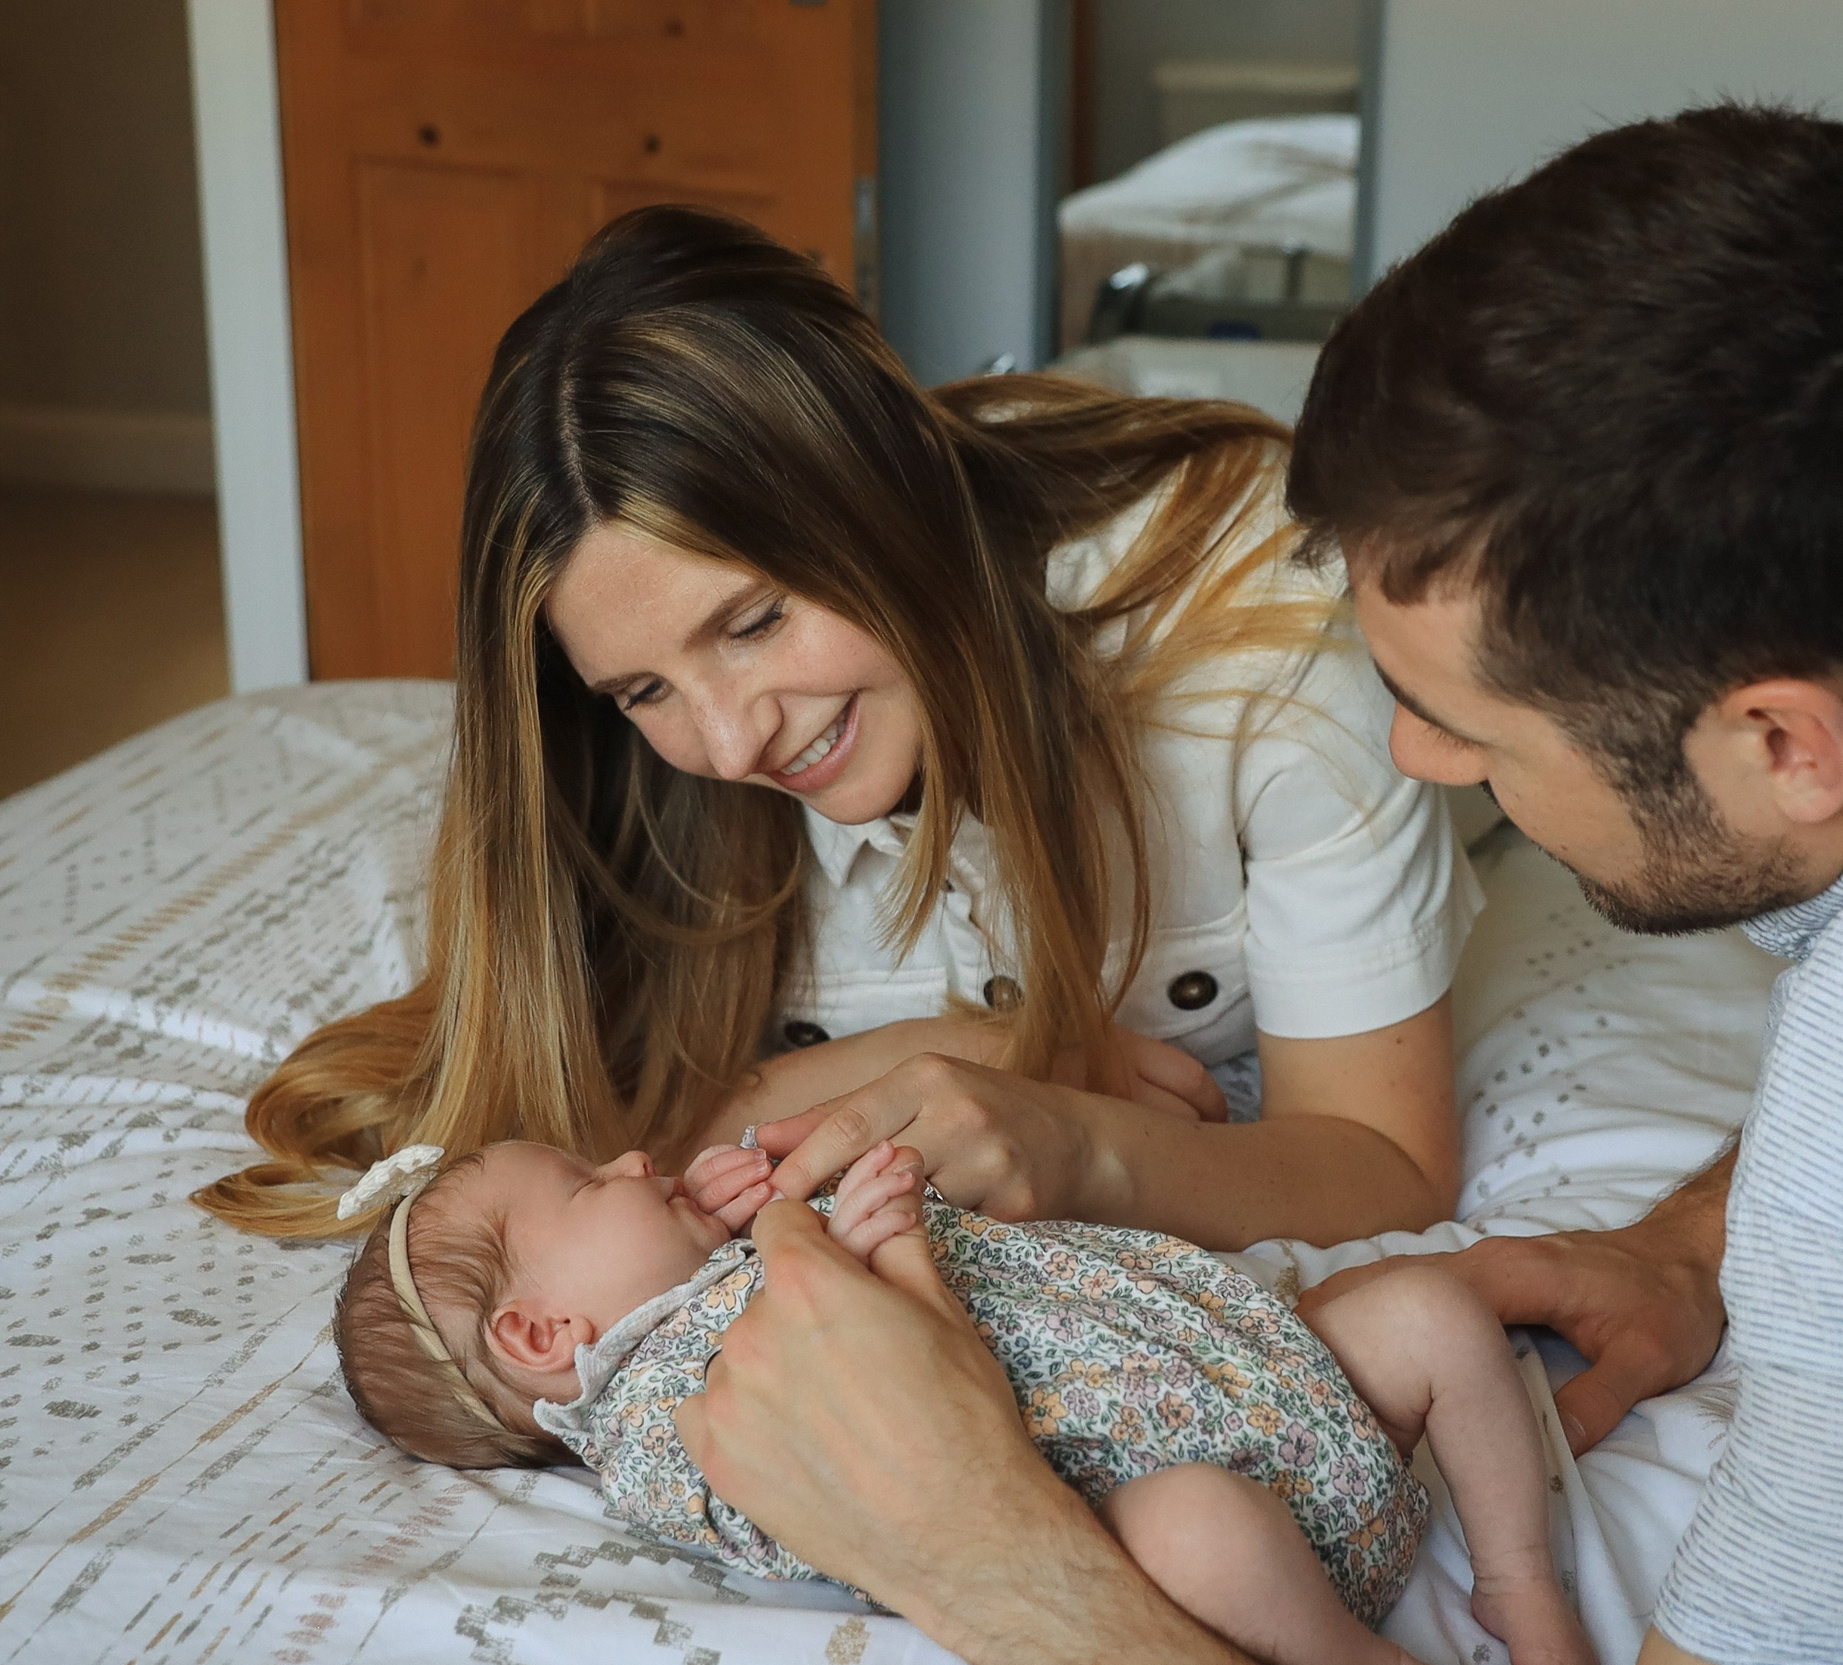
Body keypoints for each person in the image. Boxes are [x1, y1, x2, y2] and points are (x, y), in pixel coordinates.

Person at [665, 102, 1843, 1665]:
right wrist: (1691, 1242)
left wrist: (992, 1562)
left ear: (1780, 747)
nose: (1419, 768)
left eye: (1471, 727)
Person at [196, 204, 1479, 1254]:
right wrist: (956, 1050)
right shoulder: (642, 772)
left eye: (752, 622)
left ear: (880, 503)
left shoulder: (1261, 640)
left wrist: (1074, 1143)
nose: (732, 741)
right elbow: (563, 1132)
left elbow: (1384, 1165)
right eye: (642, 691)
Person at [327, 1134, 1599, 1665]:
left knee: (1431, 1310)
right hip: (1218, 1533)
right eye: (583, 1181)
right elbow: (890, 1463)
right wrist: (884, 1253)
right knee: (1194, 1526)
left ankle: (1519, 1580)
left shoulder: (716, 1273)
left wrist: (738, 1214)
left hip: (1271, 1380)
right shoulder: (682, 1417)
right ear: (540, 1337)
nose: (628, 1162)